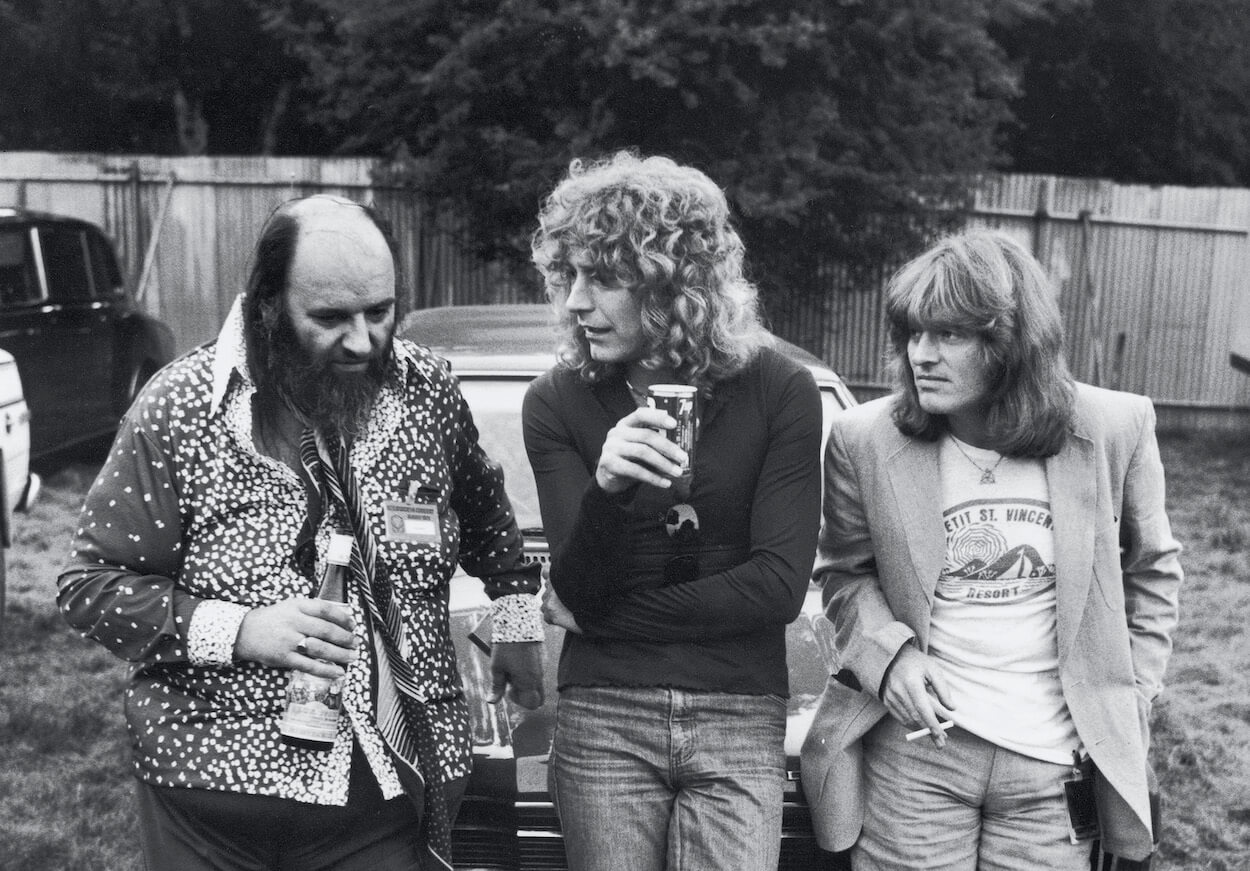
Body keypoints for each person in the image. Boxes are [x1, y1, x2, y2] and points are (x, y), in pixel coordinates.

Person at [57, 194, 544, 871]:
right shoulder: (179, 407)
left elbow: (490, 513)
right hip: (210, 799)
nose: (363, 340)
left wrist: (518, 619)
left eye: (380, 311)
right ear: (268, 306)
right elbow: (92, 586)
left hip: (387, 799)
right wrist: (242, 629)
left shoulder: (427, 390)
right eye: (330, 318)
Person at [800, 229, 1183, 870]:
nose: (922, 354)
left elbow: (1152, 569)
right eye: (913, 334)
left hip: (1055, 759)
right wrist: (889, 660)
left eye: (949, 335)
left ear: (1011, 344)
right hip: (915, 758)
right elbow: (844, 575)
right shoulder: (863, 439)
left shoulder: (1112, 427)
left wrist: (1129, 693)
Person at [522, 151, 824, 871]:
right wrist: (608, 489)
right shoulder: (556, 402)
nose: (575, 302)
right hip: (605, 712)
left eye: (603, 277)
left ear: (673, 282)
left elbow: (777, 586)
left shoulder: (782, 391)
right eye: (570, 276)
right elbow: (579, 578)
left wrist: (597, 616)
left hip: (738, 704)